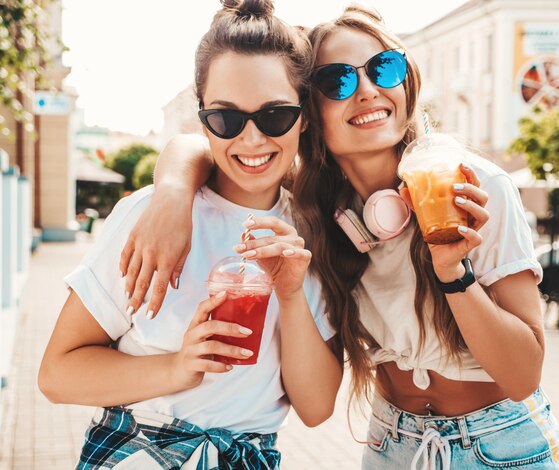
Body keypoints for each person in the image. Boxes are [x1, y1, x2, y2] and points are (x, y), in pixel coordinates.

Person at [119, 5, 559, 470]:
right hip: (392, 445)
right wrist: (172, 195)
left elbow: (523, 377)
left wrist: (453, 274)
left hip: (500, 445)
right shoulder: (316, 207)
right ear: (306, 112)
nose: (369, 90)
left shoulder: (470, 186)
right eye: (338, 81)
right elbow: (204, 142)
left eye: (385, 68)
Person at [37, 1, 342, 468]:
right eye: (226, 118)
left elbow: (317, 409)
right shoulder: (150, 216)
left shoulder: (317, 234)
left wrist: (292, 294)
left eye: (275, 115)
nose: (253, 138)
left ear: (304, 115)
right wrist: (177, 367)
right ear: (202, 118)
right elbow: (57, 375)